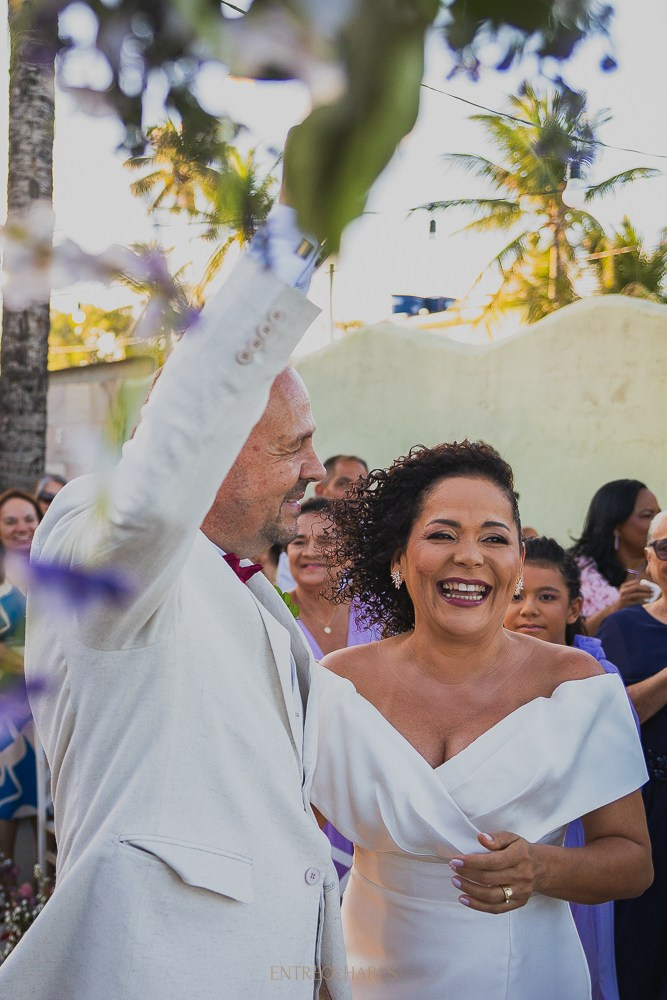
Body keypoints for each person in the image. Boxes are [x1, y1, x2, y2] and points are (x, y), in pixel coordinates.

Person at [0, 204, 350, 999]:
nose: (315, 469)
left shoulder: (247, 588)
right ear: (211, 446)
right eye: (292, 445)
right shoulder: (97, 527)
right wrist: (298, 221)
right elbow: (158, 483)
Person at [310, 441, 652, 1000]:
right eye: (442, 534)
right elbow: (292, 842)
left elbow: (632, 862)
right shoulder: (339, 686)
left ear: (518, 562)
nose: (470, 556)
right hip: (369, 976)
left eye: (494, 538)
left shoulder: (576, 685)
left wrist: (539, 869)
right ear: (398, 557)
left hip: (530, 976)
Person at [504, 535, 631, 1000]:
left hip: (578, 837)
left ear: (575, 607)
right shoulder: (483, 674)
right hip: (499, 839)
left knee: (576, 956)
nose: (529, 609)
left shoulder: (598, 676)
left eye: (547, 597)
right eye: (517, 595)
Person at [287, 497, 378, 889]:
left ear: (352, 550)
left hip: (370, 786)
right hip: (301, 786)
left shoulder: (380, 613)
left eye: (327, 542)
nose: (310, 552)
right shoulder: (271, 611)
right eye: (297, 541)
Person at [596, 510, 667, 1000]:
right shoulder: (624, 627)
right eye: (666, 548)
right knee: (641, 946)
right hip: (649, 805)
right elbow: (617, 720)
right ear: (649, 559)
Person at [0, 489, 42, 862]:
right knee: (8, 796)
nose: (21, 527)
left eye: (28, 518)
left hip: (49, 706)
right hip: (10, 708)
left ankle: (43, 891)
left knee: (48, 794)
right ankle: (8, 888)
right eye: (10, 520)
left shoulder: (55, 569)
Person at [571, 480, 660, 633]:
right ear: (616, 526)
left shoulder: (662, 567)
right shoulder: (578, 573)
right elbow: (569, 638)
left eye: (659, 514)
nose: (657, 522)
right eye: (647, 516)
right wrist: (615, 608)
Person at [276, 455, 369, 593]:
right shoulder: (296, 548)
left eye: (362, 486)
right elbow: (290, 608)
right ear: (320, 490)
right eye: (343, 484)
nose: (355, 493)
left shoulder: (376, 543)